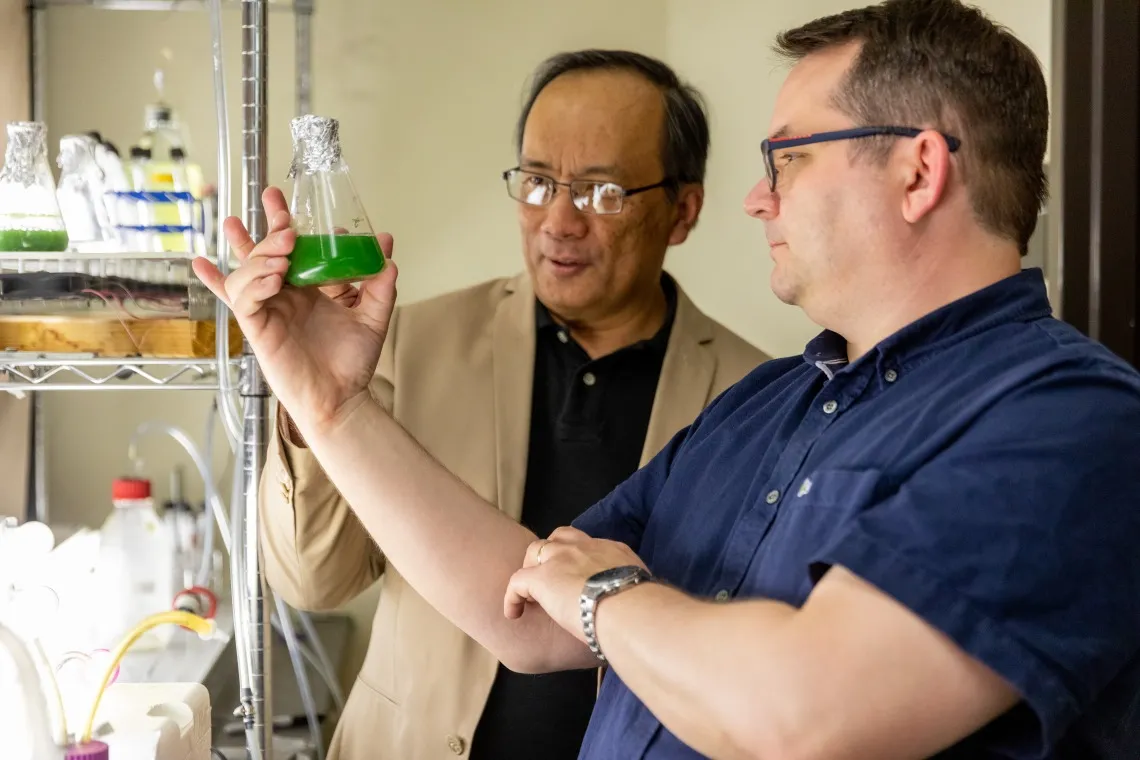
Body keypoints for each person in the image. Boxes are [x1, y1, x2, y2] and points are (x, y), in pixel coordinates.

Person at [195, 0, 1140, 757]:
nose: (757, 194)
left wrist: (606, 599)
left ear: (917, 170)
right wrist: (329, 404)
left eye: (789, 158)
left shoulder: (1070, 421)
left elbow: (807, 716)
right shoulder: (774, 403)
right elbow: (526, 612)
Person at [255, 50, 767, 760]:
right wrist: (309, 405)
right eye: (536, 181)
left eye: (601, 192)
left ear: (682, 211)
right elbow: (314, 579)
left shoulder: (757, 399)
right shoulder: (410, 341)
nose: (558, 221)